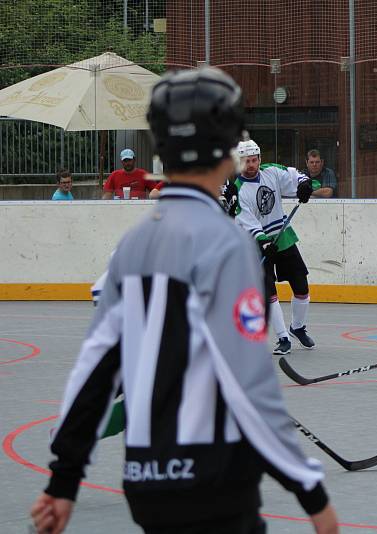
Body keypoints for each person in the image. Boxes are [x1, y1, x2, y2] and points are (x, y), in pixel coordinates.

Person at [30, 67, 339, 534]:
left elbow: (95, 369)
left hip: (146, 482)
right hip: (215, 482)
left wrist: (63, 480)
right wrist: (310, 491)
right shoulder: (226, 245)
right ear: (223, 152)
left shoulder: (132, 245)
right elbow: (249, 386)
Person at [233, 139, 315, 355]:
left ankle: (297, 327)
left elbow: (297, 176)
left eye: (254, 160)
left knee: (301, 286)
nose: (251, 165)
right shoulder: (238, 190)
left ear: (259, 159)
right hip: (256, 243)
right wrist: (263, 240)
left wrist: (305, 185)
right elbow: (246, 220)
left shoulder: (272, 171)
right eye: (246, 161)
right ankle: (283, 338)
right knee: (269, 293)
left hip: (282, 235)